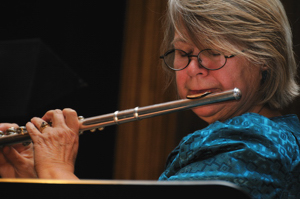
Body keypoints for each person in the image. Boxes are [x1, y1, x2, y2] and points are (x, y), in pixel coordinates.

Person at [0, 0, 299, 198]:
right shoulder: (251, 136)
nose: (193, 70)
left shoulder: (256, 145)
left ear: (264, 59)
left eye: (213, 52)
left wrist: (56, 169)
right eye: (183, 53)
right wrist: (35, 173)